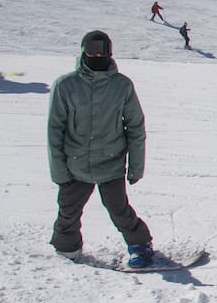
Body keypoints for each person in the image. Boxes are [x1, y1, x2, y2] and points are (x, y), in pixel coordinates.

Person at [47, 30, 154, 268]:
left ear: (109, 52)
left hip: (111, 163)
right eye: (91, 49)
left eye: (102, 49)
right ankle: (67, 248)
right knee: (68, 211)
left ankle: (140, 245)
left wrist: (136, 167)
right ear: (82, 50)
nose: (97, 54)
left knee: (119, 210)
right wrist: (58, 170)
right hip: (76, 164)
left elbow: (135, 127)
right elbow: (55, 130)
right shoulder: (66, 85)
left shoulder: (121, 85)